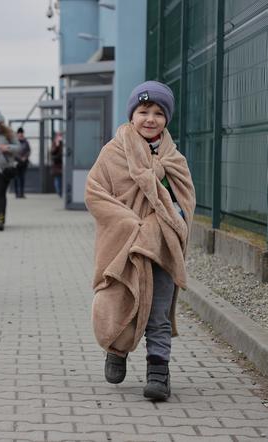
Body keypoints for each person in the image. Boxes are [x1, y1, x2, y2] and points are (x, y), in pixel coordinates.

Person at [84, 81, 195, 401]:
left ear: (167, 119)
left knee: (158, 311)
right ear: (132, 114)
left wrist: (173, 221)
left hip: (160, 246)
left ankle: (159, 372)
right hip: (122, 243)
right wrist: (129, 223)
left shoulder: (174, 158)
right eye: (143, 111)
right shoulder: (112, 153)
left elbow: (185, 201)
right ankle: (116, 349)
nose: (150, 119)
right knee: (119, 300)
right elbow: (95, 194)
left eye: (159, 113)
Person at [14, 127, 31, 198]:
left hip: (24, 163)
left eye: (22, 133)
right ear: (17, 134)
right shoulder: (14, 141)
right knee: (16, 178)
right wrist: (19, 158)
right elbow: (13, 152)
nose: (21, 134)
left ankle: (22, 193)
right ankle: (17, 193)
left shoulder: (26, 142)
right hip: (16, 163)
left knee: (22, 178)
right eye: (19, 133)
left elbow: (29, 150)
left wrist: (25, 157)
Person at [50, 132, 63, 197]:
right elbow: (52, 152)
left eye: (60, 136)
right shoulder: (54, 144)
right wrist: (57, 146)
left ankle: (61, 192)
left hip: (62, 164)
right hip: (56, 164)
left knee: (61, 179)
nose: (59, 137)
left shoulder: (62, 144)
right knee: (57, 179)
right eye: (58, 136)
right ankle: (59, 192)